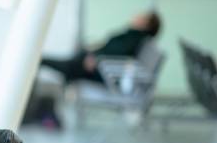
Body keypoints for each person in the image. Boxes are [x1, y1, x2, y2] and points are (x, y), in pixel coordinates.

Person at [23, 11, 162, 128]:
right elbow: (112, 48)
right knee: (67, 65)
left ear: (145, 24)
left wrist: (96, 59)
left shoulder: (135, 38)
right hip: (101, 68)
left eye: (142, 17)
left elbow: (118, 53)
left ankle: (36, 66)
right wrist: (94, 52)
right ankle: (42, 103)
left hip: (104, 74)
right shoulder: (133, 35)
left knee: (61, 65)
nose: (136, 16)